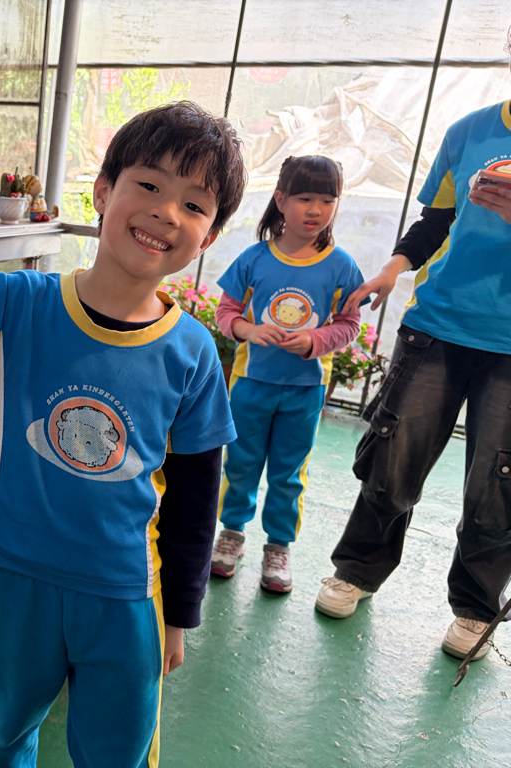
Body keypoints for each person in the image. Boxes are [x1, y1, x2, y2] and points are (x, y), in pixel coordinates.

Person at [0, 103, 246, 767]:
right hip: (17, 583)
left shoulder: (194, 353)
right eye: (149, 185)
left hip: (128, 598)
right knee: (8, 734)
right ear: (103, 191)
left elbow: (194, 499)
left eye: (194, 204)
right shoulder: (15, 304)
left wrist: (178, 613)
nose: (166, 213)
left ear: (208, 237)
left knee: (116, 753)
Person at [315, 33, 511, 663]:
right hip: (440, 324)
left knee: (498, 482)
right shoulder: (470, 131)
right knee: (393, 458)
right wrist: (391, 269)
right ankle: (357, 570)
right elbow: (437, 222)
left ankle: (476, 606)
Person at [209, 156, 365, 594]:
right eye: (305, 198)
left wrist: (316, 340)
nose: (315, 209)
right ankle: (232, 533)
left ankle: (278, 546)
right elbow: (226, 313)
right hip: (250, 384)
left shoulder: (342, 266)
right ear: (280, 200)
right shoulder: (253, 258)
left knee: (289, 472)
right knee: (240, 463)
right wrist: (249, 330)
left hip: (305, 390)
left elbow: (349, 324)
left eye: (327, 200)